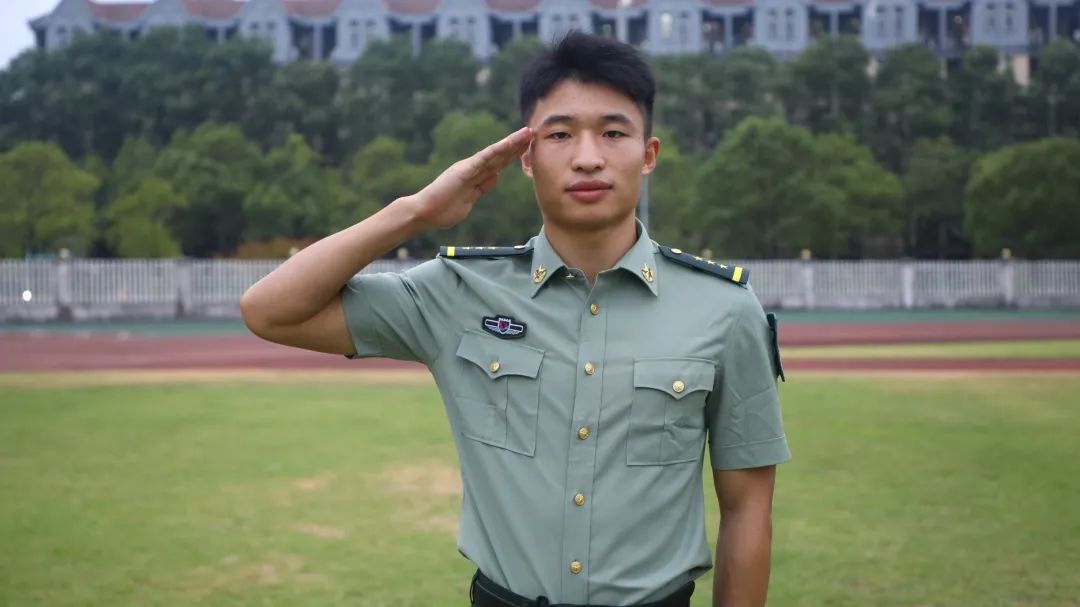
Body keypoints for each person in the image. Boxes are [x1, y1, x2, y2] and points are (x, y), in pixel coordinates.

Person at [241, 31, 789, 607]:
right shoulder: (457, 294)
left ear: (648, 154)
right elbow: (269, 311)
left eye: (613, 132)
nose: (587, 157)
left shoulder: (724, 309)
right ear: (527, 158)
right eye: (559, 134)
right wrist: (416, 211)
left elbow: (748, 508)